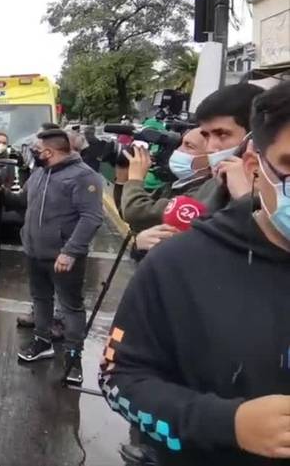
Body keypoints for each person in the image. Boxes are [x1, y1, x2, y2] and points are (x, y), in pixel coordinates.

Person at [99, 80, 290, 466]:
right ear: (256, 165)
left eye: (222, 134)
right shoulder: (179, 263)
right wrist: (228, 424)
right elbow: (120, 377)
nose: (212, 147)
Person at [8, 129, 103, 385]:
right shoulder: (40, 173)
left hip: (63, 257)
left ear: (49, 152)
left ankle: (74, 359)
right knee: (40, 299)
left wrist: (70, 251)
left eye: (37, 150)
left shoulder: (84, 176)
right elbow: (21, 200)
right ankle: (42, 341)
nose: (34, 154)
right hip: (34, 252)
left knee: (71, 307)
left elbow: (92, 217)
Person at [118, 128, 211, 233]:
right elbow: (126, 211)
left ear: (212, 158)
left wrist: (135, 179)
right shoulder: (177, 184)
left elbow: (136, 213)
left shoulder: (202, 193)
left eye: (189, 146)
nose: (178, 151)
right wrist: (122, 176)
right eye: (180, 144)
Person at [192, 83, 265, 212]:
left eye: (222, 134)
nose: (209, 148)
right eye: (206, 136)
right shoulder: (210, 186)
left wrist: (248, 198)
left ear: (254, 137)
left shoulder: (280, 190)